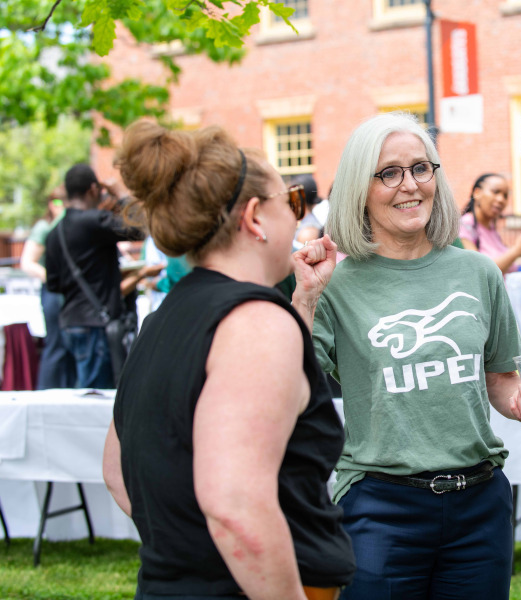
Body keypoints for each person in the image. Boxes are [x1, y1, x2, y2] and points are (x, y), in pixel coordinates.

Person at [294, 112, 521, 600]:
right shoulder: (336, 284)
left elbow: (499, 377)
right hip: (381, 507)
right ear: (360, 188)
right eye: (389, 173)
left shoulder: (479, 272)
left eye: (421, 168)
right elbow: (291, 386)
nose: (410, 185)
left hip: (479, 505)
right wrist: (306, 298)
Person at [102, 121, 355, 599]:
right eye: (293, 203)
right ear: (256, 217)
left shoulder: (164, 320)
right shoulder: (255, 323)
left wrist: (304, 302)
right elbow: (235, 505)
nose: (300, 222)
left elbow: (118, 473)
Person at [44, 164, 145, 389]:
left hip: (70, 323)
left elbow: (53, 284)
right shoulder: (94, 221)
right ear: (93, 189)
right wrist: (121, 194)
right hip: (96, 325)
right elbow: (139, 228)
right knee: (97, 401)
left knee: (79, 395)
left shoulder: (54, 233)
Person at [19, 187, 77, 389]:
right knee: (56, 344)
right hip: (53, 292)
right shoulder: (45, 227)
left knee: (70, 344)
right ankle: (48, 391)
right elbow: (27, 262)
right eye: (58, 202)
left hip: (69, 293)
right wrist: (54, 280)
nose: (61, 207)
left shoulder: (69, 226)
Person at [459, 173, 521, 273]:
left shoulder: (491, 227)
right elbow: (479, 271)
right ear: (477, 193)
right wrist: (517, 250)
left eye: (505, 195)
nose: (501, 199)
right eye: (495, 192)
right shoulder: (464, 226)